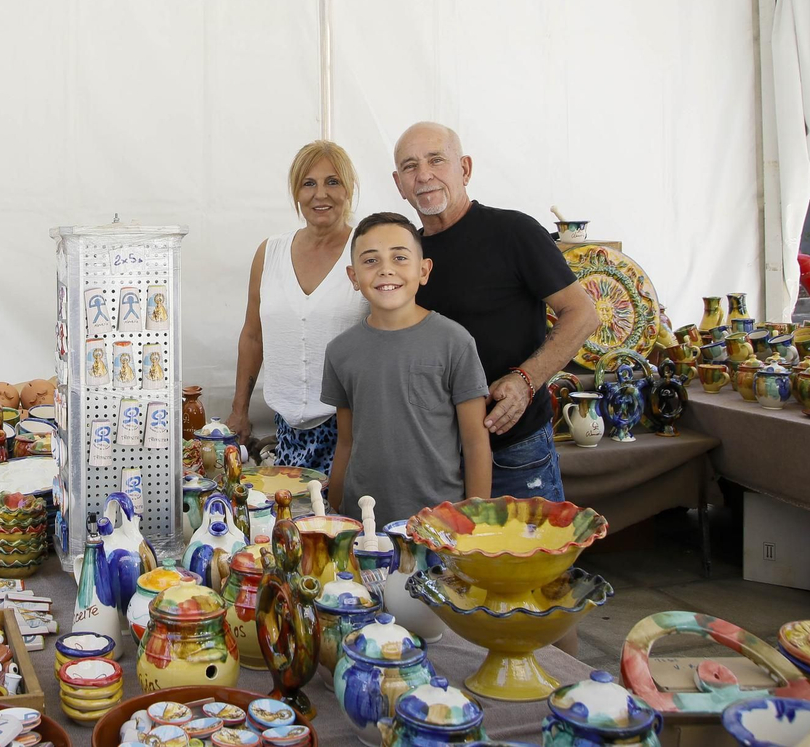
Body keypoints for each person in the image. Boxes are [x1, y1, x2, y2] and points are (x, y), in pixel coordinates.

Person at [393, 123, 599, 500]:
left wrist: (525, 380)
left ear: (465, 169)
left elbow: (583, 314)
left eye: (436, 160)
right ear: (398, 183)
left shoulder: (514, 232)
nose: (423, 175)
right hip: (434, 459)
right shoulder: (405, 256)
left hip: (513, 452)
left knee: (525, 558)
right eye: (410, 166)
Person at [321, 212, 491, 525]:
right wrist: (336, 514)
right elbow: (345, 442)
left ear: (423, 270)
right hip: (363, 524)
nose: (386, 270)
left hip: (439, 524)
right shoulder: (340, 351)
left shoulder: (455, 342)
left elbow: (476, 443)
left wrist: (474, 522)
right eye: (370, 261)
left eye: (400, 257)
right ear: (353, 276)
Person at [227, 141, 369, 475]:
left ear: (349, 189)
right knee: (290, 522)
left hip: (353, 430)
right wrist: (239, 410)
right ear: (296, 193)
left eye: (333, 181)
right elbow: (252, 336)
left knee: (342, 522)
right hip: (288, 434)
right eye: (309, 183)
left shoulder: (366, 249)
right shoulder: (270, 252)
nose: (321, 194)